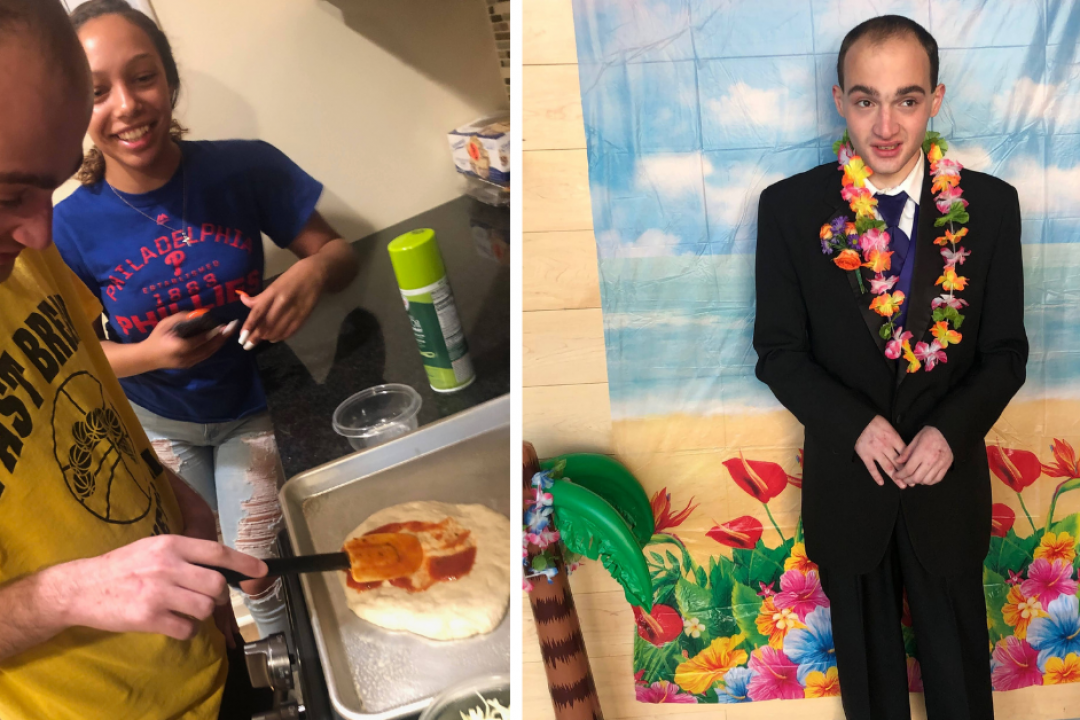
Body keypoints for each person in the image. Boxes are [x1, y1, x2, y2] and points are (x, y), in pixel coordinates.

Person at [52, 0, 359, 639]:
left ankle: (283, 654)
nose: (127, 106)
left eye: (143, 78)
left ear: (170, 81)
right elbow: (72, 359)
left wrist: (312, 272)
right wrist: (151, 356)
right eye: (96, 92)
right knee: (194, 571)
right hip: (156, 419)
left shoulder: (244, 166)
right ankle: (245, 676)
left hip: (253, 400)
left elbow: (339, 253)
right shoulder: (67, 227)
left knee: (254, 565)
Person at [0, 0, 272, 717]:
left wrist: (165, 489)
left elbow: (86, 383)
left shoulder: (26, 254)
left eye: (49, 185)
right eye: (6, 193)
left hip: (201, 660)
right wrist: (63, 594)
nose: (37, 230)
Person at [753, 15, 1027, 720]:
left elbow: (1005, 355)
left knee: (962, 687)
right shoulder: (789, 210)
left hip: (947, 488)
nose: (885, 124)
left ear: (935, 100)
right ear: (838, 99)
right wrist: (856, 426)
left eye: (906, 99)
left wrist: (949, 433)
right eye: (865, 99)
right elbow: (779, 352)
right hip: (852, 489)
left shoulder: (991, 208)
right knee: (871, 698)